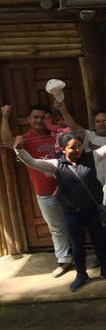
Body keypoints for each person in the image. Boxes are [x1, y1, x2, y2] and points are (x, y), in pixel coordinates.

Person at [14, 121, 106, 292]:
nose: (77, 150)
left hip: (93, 210)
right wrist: (19, 150)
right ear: (63, 149)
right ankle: (81, 275)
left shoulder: (92, 157)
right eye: (72, 147)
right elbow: (32, 162)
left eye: (79, 146)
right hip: (72, 214)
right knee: (78, 246)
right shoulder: (56, 165)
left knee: (101, 242)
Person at [1, 103, 72, 277]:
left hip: (68, 189)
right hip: (45, 194)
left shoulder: (58, 135)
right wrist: (4, 117)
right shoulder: (24, 139)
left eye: (43, 117)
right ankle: (64, 260)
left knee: (75, 223)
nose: (39, 121)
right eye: (36, 117)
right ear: (29, 120)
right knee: (57, 228)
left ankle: (79, 256)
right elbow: (8, 142)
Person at [55, 92, 106, 185]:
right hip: (94, 186)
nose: (101, 124)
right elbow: (73, 126)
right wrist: (63, 109)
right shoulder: (88, 136)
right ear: (94, 124)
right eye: (98, 121)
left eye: (105, 121)